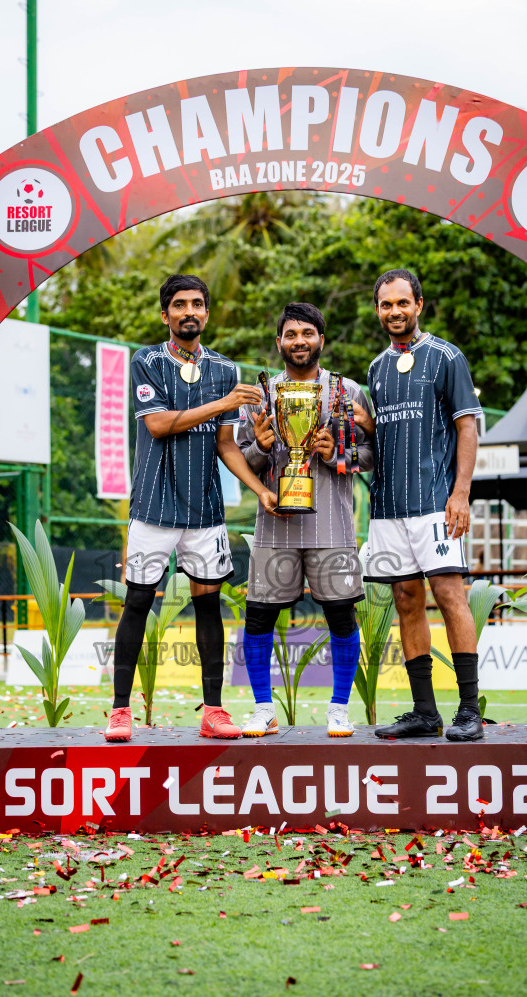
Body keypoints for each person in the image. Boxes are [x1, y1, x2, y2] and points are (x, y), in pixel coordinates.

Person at [105, 274, 279, 743]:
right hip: (153, 508)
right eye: (179, 304)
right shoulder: (147, 361)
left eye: (197, 304)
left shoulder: (223, 368)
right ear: (165, 315)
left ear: (206, 312)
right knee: (138, 602)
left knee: (208, 607)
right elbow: (158, 425)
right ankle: (120, 712)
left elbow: (227, 444)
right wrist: (223, 402)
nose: (189, 311)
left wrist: (258, 489)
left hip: (204, 511)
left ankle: (214, 712)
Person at [237, 302, 374, 738]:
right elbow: (242, 462)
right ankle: (263, 708)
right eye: (291, 334)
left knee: (341, 617)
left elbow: (371, 456)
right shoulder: (262, 395)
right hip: (274, 523)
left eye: (307, 333)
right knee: (259, 617)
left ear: (321, 339)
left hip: (332, 526)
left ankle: (339, 708)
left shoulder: (347, 391)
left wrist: (336, 453)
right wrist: (260, 447)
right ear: (279, 342)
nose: (300, 341)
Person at [362, 269, 483, 741]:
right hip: (388, 507)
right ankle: (425, 713)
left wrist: (461, 493)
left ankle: (469, 711)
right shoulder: (376, 368)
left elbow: (467, 426)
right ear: (378, 310)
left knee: (450, 596)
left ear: (418, 305)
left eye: (401, 303)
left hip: (435, 502)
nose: (394, 311)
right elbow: (380, 440)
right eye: (386, 304)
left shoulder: (447, 357)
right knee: (406, 600)